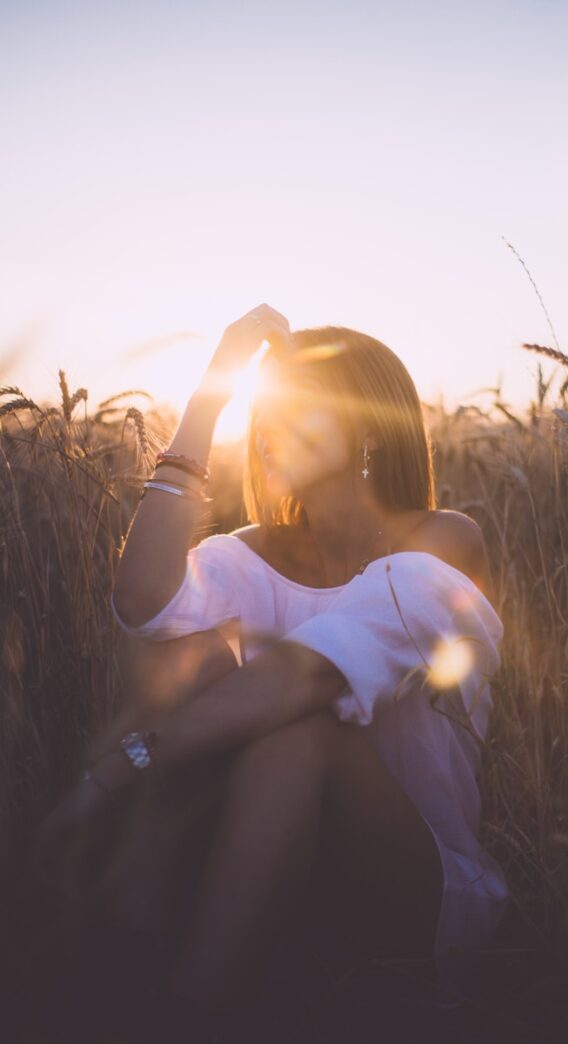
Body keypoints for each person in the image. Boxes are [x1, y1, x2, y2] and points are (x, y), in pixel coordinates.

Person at [31, 304, 509, 1039]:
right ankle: (117, 968)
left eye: (298, 410)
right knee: (199, 666)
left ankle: (183, 1014)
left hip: (412, 896)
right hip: (272, 872)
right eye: (264, 410)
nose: (268, 428)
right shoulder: (250, 553)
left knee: (298, 732)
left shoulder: (441, 542)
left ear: (366, 430)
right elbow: (142, 602)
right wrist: (210, 395)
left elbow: (310, 675)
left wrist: (113, 774)